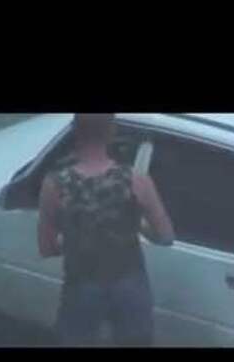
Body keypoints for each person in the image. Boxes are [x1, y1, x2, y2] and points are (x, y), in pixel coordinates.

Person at [37, 114, 174, 347]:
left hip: (81, 285)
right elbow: (166, 236)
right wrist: (137, 226)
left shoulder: (54, 185)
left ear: (75, 132)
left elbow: (46, 248)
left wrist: (76, 238)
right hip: (129, 283)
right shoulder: (136, 180)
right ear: (112, 132)